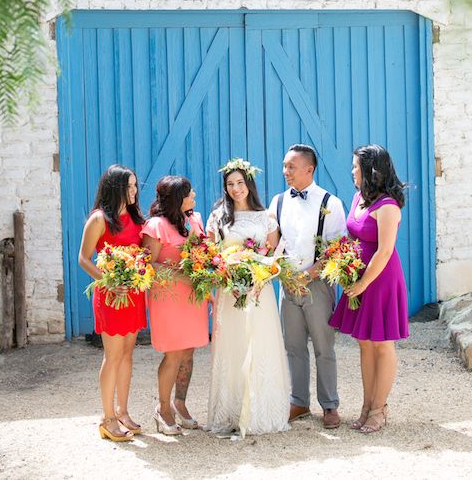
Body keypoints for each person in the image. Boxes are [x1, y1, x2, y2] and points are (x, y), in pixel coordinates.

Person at [205, 158, 290, 437]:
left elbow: (274, 256)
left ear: (249, 183)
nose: (235, 188)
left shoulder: (265, 217)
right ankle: (230, 412)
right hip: (230, 294)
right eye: (230, 184)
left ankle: (260, 414)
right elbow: (210, 254)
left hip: (258, 293)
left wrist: (259, 277)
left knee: (260, 344)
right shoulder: (218, 216)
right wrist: (226, 274)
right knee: (233, 346)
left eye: (240, 182)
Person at [329, 144, 409, 433]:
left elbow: (385, 251)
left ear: (370, 170)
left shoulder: (387, 205)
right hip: (359, 279)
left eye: (355, 167)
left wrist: (363, 282)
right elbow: (352, 237)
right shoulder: (357, 198)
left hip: (381, 280)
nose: (352, 171)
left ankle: (380, 408)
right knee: (365, 343)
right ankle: (366, 405)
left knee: (382, 343)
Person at [269, 144, 346, 429]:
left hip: (318, 284)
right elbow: (272, 243)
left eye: (291, 167)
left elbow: (338, 247)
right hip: (286, 286)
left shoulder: (331, 202)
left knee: (324, 346)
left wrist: (310, 274)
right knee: (293, 346)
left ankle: (329, 405)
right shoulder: (277, 201)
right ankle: (299, 401)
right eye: (285, 166)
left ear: (309, 169)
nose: (285, 171)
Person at [78, 164, 146, 442]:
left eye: (135, 186)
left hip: (132, 294)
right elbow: (83, 258)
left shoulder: (134, 216)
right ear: (114, 187)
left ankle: (122, 411)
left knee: (128, 354)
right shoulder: (99, 219)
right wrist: (108, 281)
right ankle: (107, 419)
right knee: (113, 355)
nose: (133, 191)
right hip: (110, 296)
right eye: (128, 186)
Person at [141, 176, 209, 435]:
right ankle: (163, 408)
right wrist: (180, 274)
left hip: (192, 297)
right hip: (167, 297)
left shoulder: (195, 220)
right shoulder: (156, 226)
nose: (194, 196)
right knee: (173, 354)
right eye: (189, 194)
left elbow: (203, 254)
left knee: (188, 353)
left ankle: (180, 403)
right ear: (177, 199)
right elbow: (149, 263)